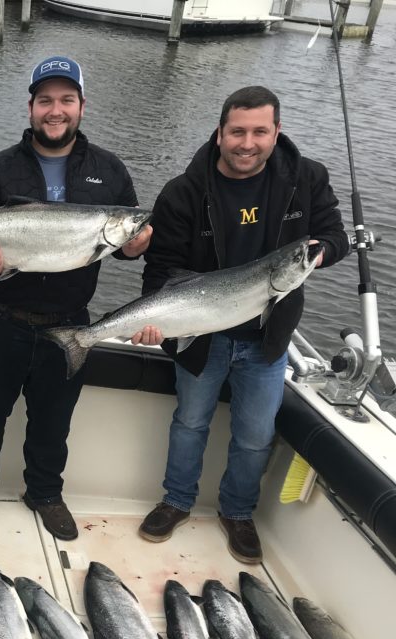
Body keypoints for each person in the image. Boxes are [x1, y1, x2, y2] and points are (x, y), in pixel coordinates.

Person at [135, 85, 348, 564]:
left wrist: (321, 253)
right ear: (219, 133)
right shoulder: (183, 191)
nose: (247, 143)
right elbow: (160, 268)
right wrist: (155, 317)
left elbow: (334, 236)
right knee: (189, 423)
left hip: (267, 340)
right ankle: (176, 501)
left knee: (255, 434)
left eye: (259, 131)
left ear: (276, 132)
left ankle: (237, 512)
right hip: (199, 336)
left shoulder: (306, 179)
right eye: (237, 131)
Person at [0, 55, 152, 540]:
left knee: (53, 422)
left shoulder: (110, 171)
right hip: (0, 320)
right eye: (45, 101)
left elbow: (121, 245)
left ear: (82, 106)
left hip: (70, 321)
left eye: (66, 100)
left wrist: (137, 246)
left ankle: (44, 493)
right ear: (31, 107)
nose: (54, 111)